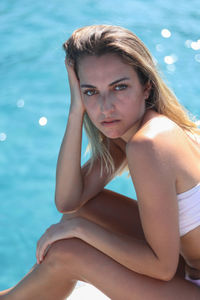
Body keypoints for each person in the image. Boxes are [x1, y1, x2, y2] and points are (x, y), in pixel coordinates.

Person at [1, 24, 200, 300]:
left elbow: (162, 267)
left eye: (119, 87)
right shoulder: (137, 130)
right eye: (91, 91)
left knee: (68, 251)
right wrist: (76, 112)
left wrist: (79, 230)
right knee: (83, 210)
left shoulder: (149, 144)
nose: (105, 107)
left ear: (146, 87)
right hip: (188, 267)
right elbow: (69, 202)